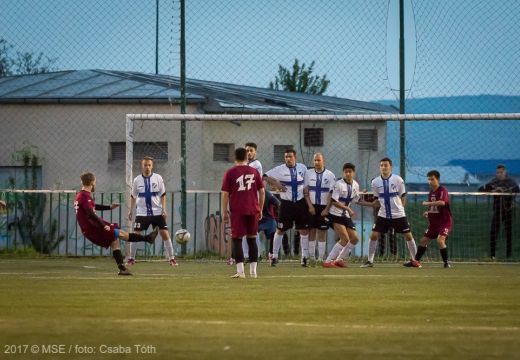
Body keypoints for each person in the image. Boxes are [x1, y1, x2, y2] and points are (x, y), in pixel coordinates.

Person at [74, 172, 158, 276]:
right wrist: (103, 225)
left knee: (115, 241)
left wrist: (109, 207)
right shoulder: (84, 196)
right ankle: (148, 238)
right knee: (121, 234)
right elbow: (90, 214)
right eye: (95, 181)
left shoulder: (81, 195)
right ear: (91, 182)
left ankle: (123, 268)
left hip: (92, 227)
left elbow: (92, 207)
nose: (96, 184)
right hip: (93, 227)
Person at [361, 157, 419, 268]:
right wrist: (362, 201)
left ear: (391, 167)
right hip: (383, 214)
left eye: (386, 165)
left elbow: (403, 197)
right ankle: (370, 261)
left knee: (408, 235)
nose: (384, 167)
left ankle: (415, 260)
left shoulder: (398, 180)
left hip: (399, 214)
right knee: (373, 235)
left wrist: (400, 209)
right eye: (381, 165)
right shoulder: (375, 182)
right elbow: (377, 200)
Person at [221, 147, 265, 278]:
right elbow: (262, 191)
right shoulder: (254, 172)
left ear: (235, 158)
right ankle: (253, 272)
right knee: (252, 239)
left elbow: (225, 194)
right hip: (253, 209)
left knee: (237, 239)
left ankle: (240, 272)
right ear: (247, 158)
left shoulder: (230, 173)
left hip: (238, 210)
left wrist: (224, 212)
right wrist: (261, 208)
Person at [126, 156, 177, 267]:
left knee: (164, 233)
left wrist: (164, 209)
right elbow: (133, 196)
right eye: (145, 165)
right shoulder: (136, 180)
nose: (147, 167)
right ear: (142, 166)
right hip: (142, 213)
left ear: (152, 166)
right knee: (136, 234)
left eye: (149, 165)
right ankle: (131, 258)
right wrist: (130, 210)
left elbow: (163, 194)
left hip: (157, 212)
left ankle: (172, 258)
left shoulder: (158, 178)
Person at [264, 148, 309, 267]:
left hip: (300, 203)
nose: (288, 159)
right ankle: (274, 256)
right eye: (286, 157)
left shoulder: (302, 168)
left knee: (303, 230)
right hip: (286, 204)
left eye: (290, 157)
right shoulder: (279, 169)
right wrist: (276, 184)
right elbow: (264, 176)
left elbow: (306, 185)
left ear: (295, 157)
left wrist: (308, 202)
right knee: (280, 230)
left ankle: (304, 257)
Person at [322, 163, 371, 268]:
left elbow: (357, 200)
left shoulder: (356, 185)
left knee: (355, 239)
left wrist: (371, 204)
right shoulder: (338, 184)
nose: (348, 174)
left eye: (350, 172)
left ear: (353, 173)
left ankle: (339, 259)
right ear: (343, 173)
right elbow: (334, 201)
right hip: (335, 214)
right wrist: (348, 208)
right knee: (344, 239)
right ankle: (328, 261)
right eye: (346, 172)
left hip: (345, 216)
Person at [404, 170, 453, 268]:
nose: (430, 182)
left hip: (444, 222)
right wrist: (428, 212)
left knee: (440, 240)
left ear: (438, 179)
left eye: (432, 179)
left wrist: (428, 203)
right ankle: (416, 261)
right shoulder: (431, 192)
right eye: (429, 180)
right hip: (434, 224)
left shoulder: (443, 190)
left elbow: (442, 203)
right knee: (423, 240)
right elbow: (434, 207)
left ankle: (446, 263)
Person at [479, 164, 519, 259]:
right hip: (497, 211)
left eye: (501, 172)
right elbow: (481, 189)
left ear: (505, 172)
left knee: (508, 233)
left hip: (508, 210)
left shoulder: (511, 182)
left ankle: (509, 256)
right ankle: (492, 256)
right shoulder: (494, 182)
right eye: (497, 172)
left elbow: (517, 189)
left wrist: (504, 190)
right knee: (493, 232)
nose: (499, 174)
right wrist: (493, 190)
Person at [303, 153, 335, 265]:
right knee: (311, 230)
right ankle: (311, 257)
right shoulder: (308, 173)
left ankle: (321, 257)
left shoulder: (330, 175)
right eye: (315, 160)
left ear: (323, 161)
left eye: (318, 160)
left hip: (323, 207)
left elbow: (332, 194)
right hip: (311, 206)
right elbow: (306, 192)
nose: (316, 162)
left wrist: (327, 209)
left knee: (322, 231)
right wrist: (310, 206)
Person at [258, 189, 280, 258]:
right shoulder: (250, 193)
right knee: (252, 235)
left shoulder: (267, 193)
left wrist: (279, 214)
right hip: (255, 219)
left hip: (268, 219)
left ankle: (272, 254)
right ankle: (256, 254)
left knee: (275, 231)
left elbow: (277, 203)